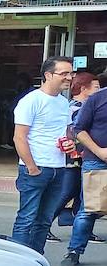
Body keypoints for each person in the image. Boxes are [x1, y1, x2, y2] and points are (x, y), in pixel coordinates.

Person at [11, 57, 73, 254]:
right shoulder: (31, 101)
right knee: (26, 218)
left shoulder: (64, 103)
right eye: (64, 73)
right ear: (48, 75)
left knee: (45, 220)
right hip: (36, 169)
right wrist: (32, 167)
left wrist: (70, 144)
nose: (69, 78)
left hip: (59, 168)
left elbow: (64, 133)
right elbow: (19, 137)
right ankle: (18, 263)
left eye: (71, 73)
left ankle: (36, 261)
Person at [51, 71, 100, 244]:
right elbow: (75, 132)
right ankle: (44, 224)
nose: (99, 90)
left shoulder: (88, 105)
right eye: (96, 87)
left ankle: (83, 231)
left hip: (83, 157)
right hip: (74, 158)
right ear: (83, 88)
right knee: (67, 193)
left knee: (82, 195)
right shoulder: (75, 108)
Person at [65, 70, 107, 266]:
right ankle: (74, 251)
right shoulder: (97, 99)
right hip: (97, 160)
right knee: (88, 209)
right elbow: (78, 129)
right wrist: (98, 151)